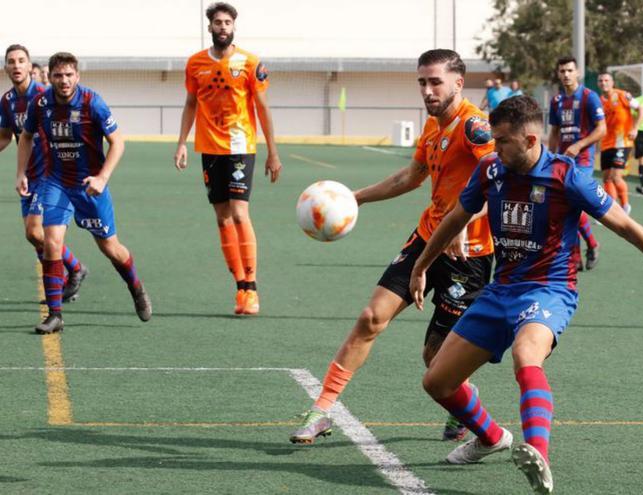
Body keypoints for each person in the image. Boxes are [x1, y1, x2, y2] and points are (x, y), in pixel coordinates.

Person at [410, 95, 643, 494]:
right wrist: (422, 265)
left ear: (529, 139)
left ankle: (537, 454)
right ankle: (492, 437)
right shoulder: (491, 169)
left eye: (503, 140)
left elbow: (625, 227)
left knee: (527, 355)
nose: (495, 148)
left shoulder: (567, 176)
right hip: (500, 291)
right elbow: (457, 214)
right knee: (436, 382)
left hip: (549, 289)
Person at [289, 49, 496, 444]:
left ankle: (464, 407)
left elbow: (499, 180)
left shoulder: (474, 127)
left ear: (457, 81)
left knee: (436, 361)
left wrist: (464, 220)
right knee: (371, 318)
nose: (427, 90)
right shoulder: (434, 127)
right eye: (422, 82)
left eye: (435, 81)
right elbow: (411, 177)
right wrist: (357, 197)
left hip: (467, 254)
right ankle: (321, 410)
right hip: (426, 238)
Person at [15, 52, 151, 334]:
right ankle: (55, 315)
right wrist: (21, 173)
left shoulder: (93, 102)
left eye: (69, 75)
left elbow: (118, 143)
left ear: (77, 76)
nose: (64, 81)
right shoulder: (40, 103)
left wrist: (102, 177)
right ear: (49, 77)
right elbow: (26, 137)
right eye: (58, 76)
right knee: (50, 241)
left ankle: (136, 287)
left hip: (89, 184)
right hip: (55, 182)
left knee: (110, 248)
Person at [174, 2, 282, 315]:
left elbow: (262, 108)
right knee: (221, 217)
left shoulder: (250, 62)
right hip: (209, 148)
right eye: (217, 22)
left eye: (227, 22)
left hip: (240, 146)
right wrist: (182, 143)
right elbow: (190, 104)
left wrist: (272, 152)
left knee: (238, 213)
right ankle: (239, 286)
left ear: (234, 26)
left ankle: (251, 285)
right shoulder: (195, 64)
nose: (222, 27)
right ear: (209, 27)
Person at [1, 45, 89, 303]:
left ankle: (74, 269)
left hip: (51, 174)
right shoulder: (7, 101)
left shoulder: (44, 95)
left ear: (30, 66)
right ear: (6, 67)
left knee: (37, 230)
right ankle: (66, 280)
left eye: (21, 61)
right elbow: (6, 136)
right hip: (28, 173)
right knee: (32, 235)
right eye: (11, 62)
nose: (16, 66)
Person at [547, 56, 606, 270]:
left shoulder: (590, 97)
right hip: (562, 160)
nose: (566, 74)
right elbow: (554, 131)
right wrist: (549, 156)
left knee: (574, 202)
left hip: (582, 160)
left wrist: (579, 145)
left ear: (577, 72)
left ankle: (589, 246)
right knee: (565, 206)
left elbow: (602, 129)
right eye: (562, 71)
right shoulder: (556, 101)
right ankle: (578, 255)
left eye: (570, 70)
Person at [597, 72, 643, 214]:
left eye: (606, 80)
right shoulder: (598, 101)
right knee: (606, 178)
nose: (603, 83)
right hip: (605, 144)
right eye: (601, 81)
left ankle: (625, 206)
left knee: (616, 177)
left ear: (612, 82)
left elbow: (641, 108)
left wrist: (635, 128)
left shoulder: (622, 95)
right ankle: (611, 209)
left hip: (622, 143)